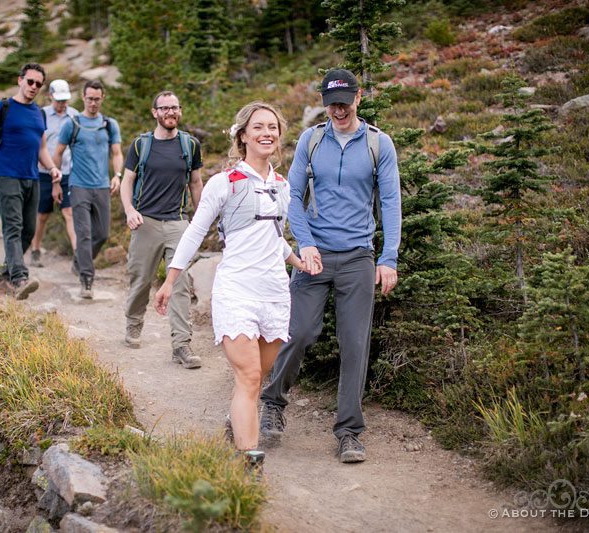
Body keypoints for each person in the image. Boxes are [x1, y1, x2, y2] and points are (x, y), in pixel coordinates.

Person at [154, 102, 319, 472]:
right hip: (237, 290)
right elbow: (196, 231)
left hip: (275, 293)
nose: (267, 133)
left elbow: (274, 238)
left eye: (273, 127)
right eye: (258, 127)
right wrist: (170, 280)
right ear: (242, 135)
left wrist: (298, 261)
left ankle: (236, 425)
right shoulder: (223, 182)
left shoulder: (281, 185)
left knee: (256, 377)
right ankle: (249, 462)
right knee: (247, 376)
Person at [258, 69, 402, 464]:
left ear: (357, 100)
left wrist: (388, 258)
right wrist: (304, 244)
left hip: (357, 256)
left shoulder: (378, 144)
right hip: (313, 256)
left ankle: (349, 432)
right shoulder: (312, 139)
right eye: (331, 102)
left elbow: (390, 204)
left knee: (355, 344)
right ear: (325, 103)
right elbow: (293, 199)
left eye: (344, 101)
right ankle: (273, 403)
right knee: (298, 332)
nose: (338, 109)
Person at [120, 91, 203, 367]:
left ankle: (181, 345)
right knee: (140, 280)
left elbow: (195, 184)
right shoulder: (140, 145)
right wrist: (130, 211)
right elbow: (126, 181)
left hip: (178, 223)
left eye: (175, 108)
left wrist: (199, 220)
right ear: (154, 112)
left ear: (180, 111)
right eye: (165, 108)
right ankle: (133, 324)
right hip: (146, 223)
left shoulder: (190, 145)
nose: (171, 112)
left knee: (179, 284)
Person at [0, 62, 60, 300]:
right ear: (20, 80)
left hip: (32, 177)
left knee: (29, 230)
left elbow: (41, 147)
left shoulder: (39, 113)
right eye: (30, 81)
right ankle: (19, 278)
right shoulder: (2, 107)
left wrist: (52, 168)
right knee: (13, 226)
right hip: (6, 175)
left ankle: (1, 277)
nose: (33, 87)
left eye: (38, 84)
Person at [52, 80, 123, 299]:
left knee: (101, 234)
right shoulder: (72, 124)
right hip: (78, 185)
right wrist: (56, 179)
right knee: (83, 233)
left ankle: (78, 261)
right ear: (83, 97)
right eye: (89, 98)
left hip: (102, 186)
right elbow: (58, 152)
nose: (93, 103)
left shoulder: (109, 124)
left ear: (103, 98)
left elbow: (117, 153)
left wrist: (117, 176)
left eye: (97, 98)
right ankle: (86, 279)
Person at [29, 79, 79, 268]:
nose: (61, 104)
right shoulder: (41, 115)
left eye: (64, 100)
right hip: (45, 171)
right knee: (42, 214)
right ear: (50, 96)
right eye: (58, 100)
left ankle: (77, 256)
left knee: (69, 212)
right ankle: (35, 248)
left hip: (67, 171)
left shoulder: (74, 115)